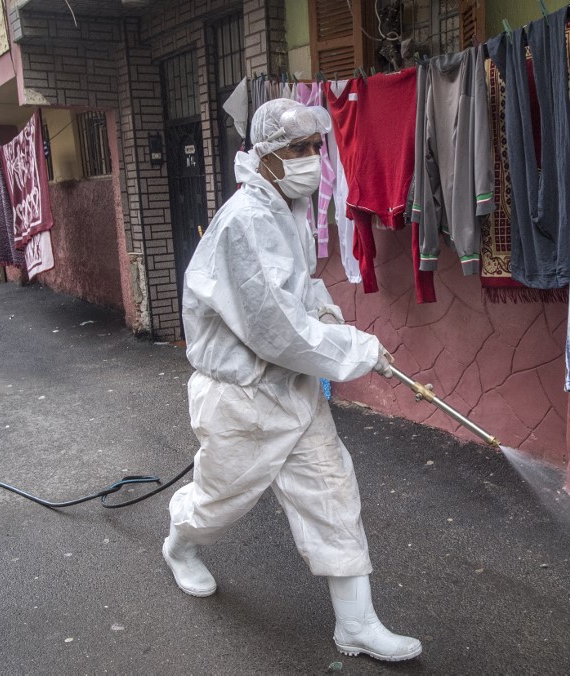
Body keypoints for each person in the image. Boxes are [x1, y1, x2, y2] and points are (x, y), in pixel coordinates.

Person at [162, 98, 421, 663]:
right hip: (242, 399)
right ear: (266, 157)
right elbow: (276, 328)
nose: (310, 159)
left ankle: (357, 624)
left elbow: (298, 290)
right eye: (295, 150)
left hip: (294, 391)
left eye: (314, 148)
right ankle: (178, 546)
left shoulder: (288, 209)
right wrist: (356, 347)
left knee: (332, 495)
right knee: (219, 503)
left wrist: (328, 315)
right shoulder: (248, 220)